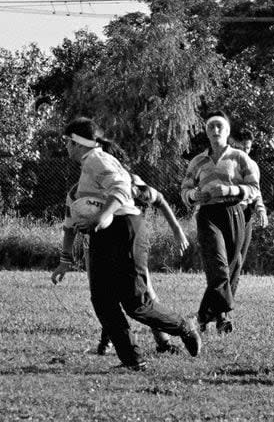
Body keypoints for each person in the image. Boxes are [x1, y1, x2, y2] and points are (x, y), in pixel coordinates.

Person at [51, 117, 201, 371]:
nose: (65, 146)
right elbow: (70, 225)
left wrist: (104, 214)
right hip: (104, 233)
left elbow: (121, 187)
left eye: (67, 141)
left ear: (77, 143)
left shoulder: (97, 159)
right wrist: (66, 260)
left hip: (124, 228)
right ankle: (133, 361)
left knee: (135, 303)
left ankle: (184, 327)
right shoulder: (86, 170)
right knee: (102, 300)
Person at [53, 172, 190, 356]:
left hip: (126, 242)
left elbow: (159, 199)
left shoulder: (127, 183)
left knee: (144, 293)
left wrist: (177, 230)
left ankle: (164, 342)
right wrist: (64, 260)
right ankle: (109, 340)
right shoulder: (76, 193)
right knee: (103, 295)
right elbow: (69, 228)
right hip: (95, 246)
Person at [181, 111, 260, 334]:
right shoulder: (198, 161)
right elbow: (184, 189)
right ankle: (212, 316)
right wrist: (194, 196)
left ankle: (207, 317)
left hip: (234, 212)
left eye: (219, 127)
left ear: (227, 132)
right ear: (206, 132)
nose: (215, 131)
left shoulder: (239, 158)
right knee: (218, 267)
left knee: (230, 268)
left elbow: (254, 189)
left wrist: (230, 189)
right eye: (211, 127)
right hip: (207, 214)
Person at [228, 127, 268, 298]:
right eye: (241, 148)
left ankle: (226, 302)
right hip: (229, 213)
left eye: (248, 148)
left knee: (239, 261)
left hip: (246, 215)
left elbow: (256, 191)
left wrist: (261, 210)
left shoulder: (252, 166)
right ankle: (221, 303)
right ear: (232, 144)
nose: (245, 152)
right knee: (232, 261)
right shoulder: (226, 165)